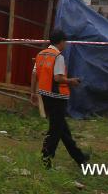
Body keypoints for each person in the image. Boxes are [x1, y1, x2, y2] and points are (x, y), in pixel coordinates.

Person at [30, 29, 89, 169]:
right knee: (55, 131)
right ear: (61, 41)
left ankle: (80, 158)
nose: (66, 44)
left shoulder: (41, 54)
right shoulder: (58, 57)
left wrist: (33, 93)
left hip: (45, 95)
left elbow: (34, 74)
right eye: (65, 41)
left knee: (62, 129)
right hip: (57, 97)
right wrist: (71, 81)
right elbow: (58, 78)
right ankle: (46, 157)